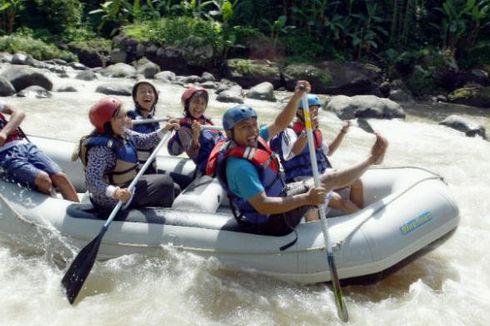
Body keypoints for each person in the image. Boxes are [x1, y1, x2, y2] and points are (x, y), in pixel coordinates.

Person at [207, 81, 388, 236]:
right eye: (244, 127)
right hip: (271, 222)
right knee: (327, 182)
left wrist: (296, 96)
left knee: (327, 180)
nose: (253, 131)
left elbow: (279, 124)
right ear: (230, 133)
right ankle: (372, 158)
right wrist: (305, 199)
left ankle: (372, 160)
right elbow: (263, 206)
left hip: (280, 196)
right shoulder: (240, 167)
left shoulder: (255, 140)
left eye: (254, 125)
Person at [76, 96, 181, 212]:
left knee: (174, 188)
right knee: (165, 183)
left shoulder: (123, 133)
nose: (124, 120)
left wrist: (165, 129)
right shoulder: (101, 149)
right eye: (119, 117)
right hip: (111, 200)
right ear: (106, 123)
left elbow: (144, 141)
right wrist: (115, 192)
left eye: (124, 115)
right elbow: (91, 181)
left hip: (128, 186)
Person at [270, 94, 363, 214]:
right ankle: (362, 219)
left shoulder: (315, 131)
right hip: (304, 180)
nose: (315, 113)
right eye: (311, 110)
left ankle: (361, 214)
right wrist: (307, 131)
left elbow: (329, 151)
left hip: (322, 174)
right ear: (299, 112)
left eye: (316, 110)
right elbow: (293, 152)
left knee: (356, 181)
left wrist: (342, 132)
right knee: (340, 201)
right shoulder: (289, 131)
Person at [0, 102, 79, 202]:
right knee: (43, 179)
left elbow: (19, 112)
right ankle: (54, 207)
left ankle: (79, 211)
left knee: (60, 177)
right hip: (3, 156)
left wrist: (4, 132)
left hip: (22, 145)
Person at [167, 85, 225, 176]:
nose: (199, 106)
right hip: (207, 169)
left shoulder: (207, 122)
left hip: (220, 159)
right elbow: (192, 154)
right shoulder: (184, 129)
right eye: (196, 102)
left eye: (202, 103)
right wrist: (195, 136)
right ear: (187, 104)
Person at [127, 80, 160, 174]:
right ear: (135, 98)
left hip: (150, 168)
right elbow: (144, 141)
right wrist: (164, 130)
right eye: (142, 91)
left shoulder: (155, 120)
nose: (147, 94)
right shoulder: (130, 117)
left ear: (155, 97)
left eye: (150, 91)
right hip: (135, 172)